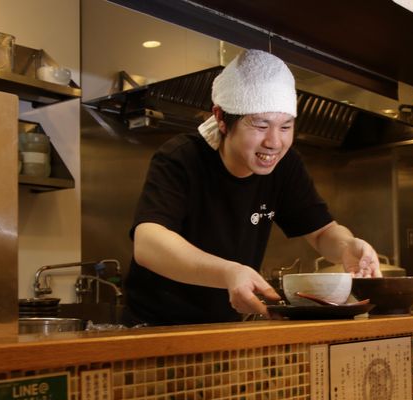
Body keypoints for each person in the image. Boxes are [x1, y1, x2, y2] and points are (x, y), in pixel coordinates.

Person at [123, 49, 382, 326]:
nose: (274, 142)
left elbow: (321, 232)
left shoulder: (285, 165)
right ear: (221, 118)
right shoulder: (182, 157)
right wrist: (229, 272)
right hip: (155, 327)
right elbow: (148, 243)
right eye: (260, 125)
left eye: (285, 127)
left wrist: (346, 247)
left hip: (226, 326)